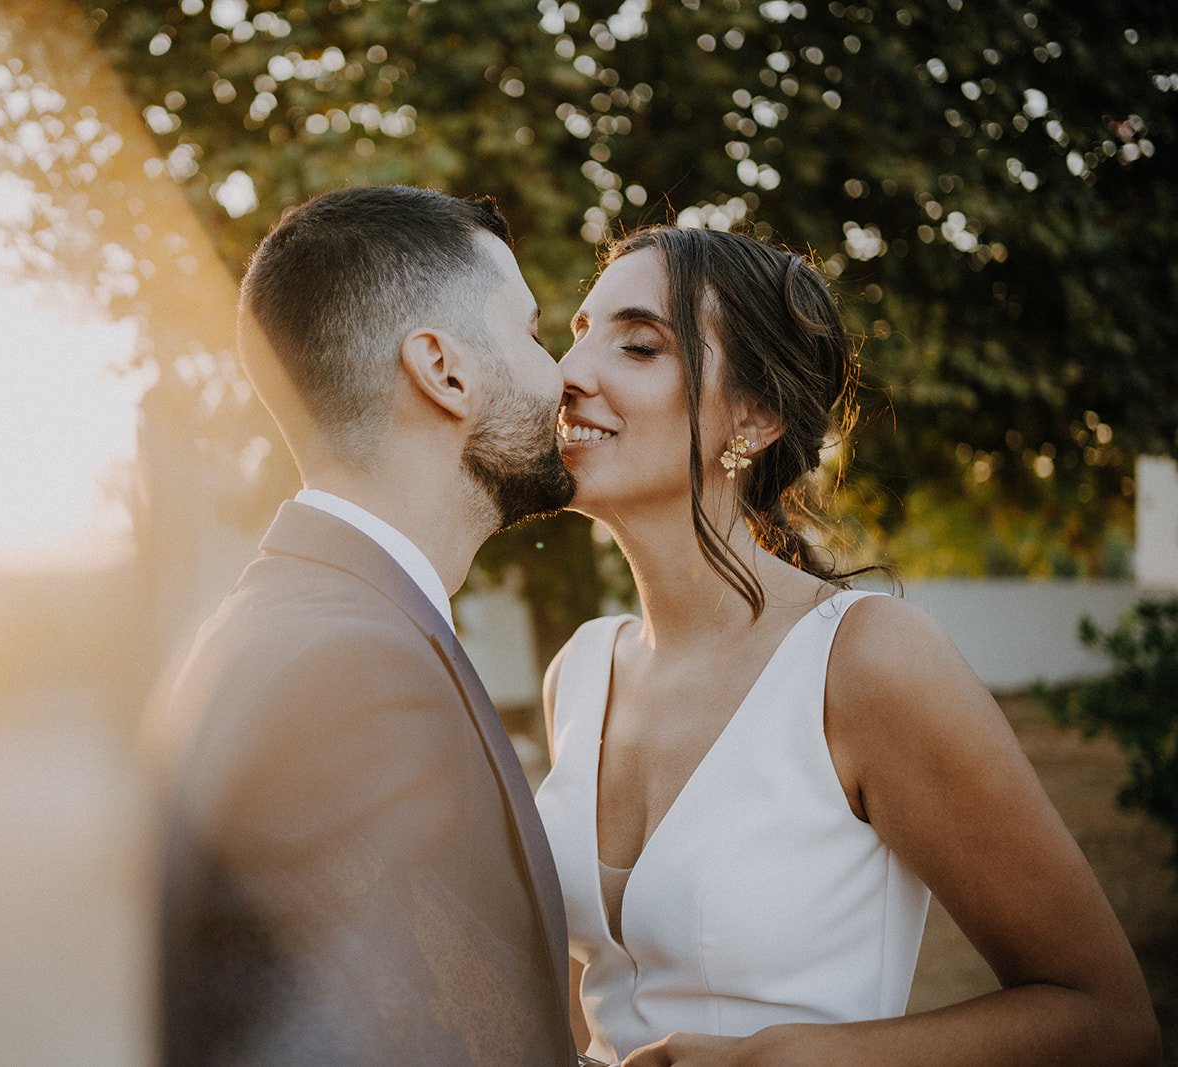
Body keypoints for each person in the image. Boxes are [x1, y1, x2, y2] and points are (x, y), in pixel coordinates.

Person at [535, 224, 1161, 1066]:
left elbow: (1109, 1022)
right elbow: (593, 992)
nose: (568, 375)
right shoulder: (579, 670)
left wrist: (784, 1059)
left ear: (753, 418)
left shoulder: (864, 662)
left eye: (639, 346)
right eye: (576, 336)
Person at [156, 186, 584, 1066]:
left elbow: (426, 1005)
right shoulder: (353, 668)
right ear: (444, 369)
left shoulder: (310, 620)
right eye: (536, 334)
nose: (564, 378)